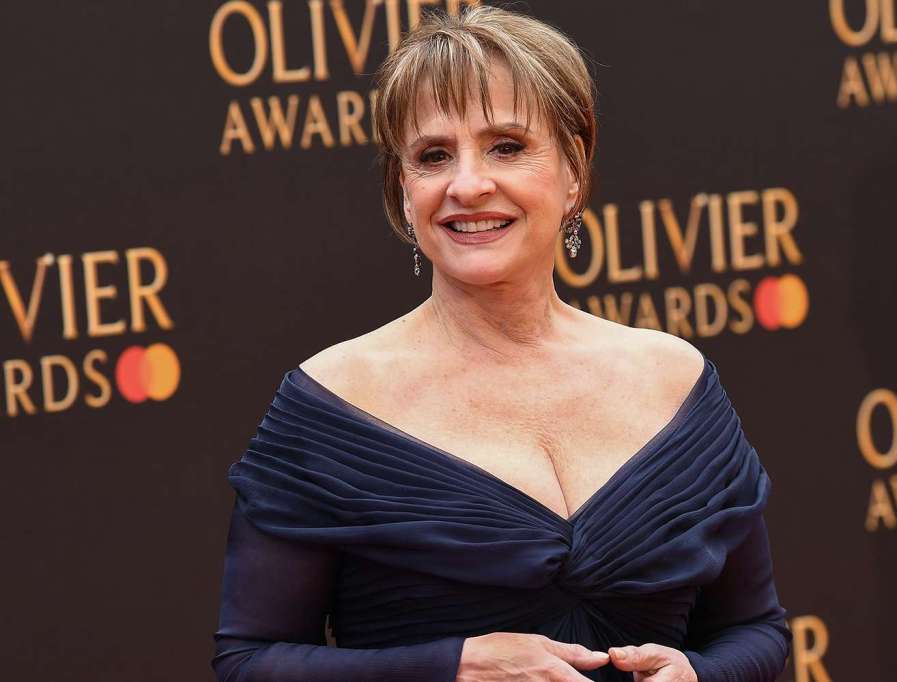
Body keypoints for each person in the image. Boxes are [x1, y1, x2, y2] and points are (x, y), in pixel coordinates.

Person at [212, 5, 791, 681]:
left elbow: (755, 629)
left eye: (507, 147)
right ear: (404, 192)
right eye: (433, 156)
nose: (468, 185)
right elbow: (249, 662)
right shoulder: (332, 401)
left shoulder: (674, 379)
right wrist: (454, 667)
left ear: (574, 169)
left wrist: (699, 675)